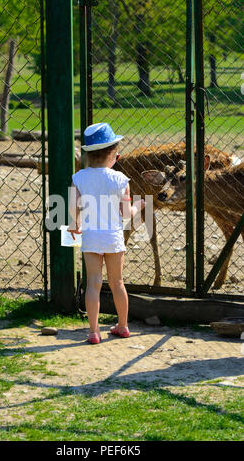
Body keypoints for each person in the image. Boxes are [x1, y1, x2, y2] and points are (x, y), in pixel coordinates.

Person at [68, 123, 145, 344]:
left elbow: (74, 207)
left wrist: (75, 224)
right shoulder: (121, 180)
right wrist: (139, 205)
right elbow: (126, 214)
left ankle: (93, 331)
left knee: (93, 283)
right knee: (117, 282)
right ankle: (123, 325)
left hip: (91, 237)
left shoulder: (79, 178)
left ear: (88, 155)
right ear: (114, 154)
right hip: (113, 238)